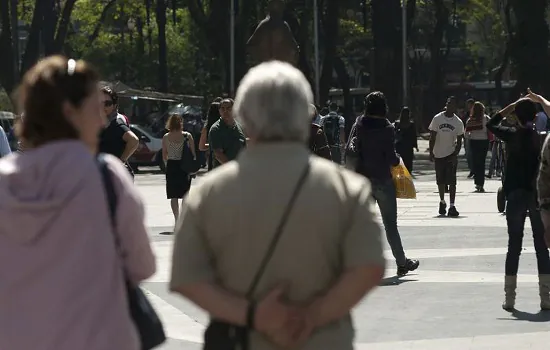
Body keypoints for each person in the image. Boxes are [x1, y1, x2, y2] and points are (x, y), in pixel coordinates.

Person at [170, 61, 385, 350]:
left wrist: (253, 315)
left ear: (244, 116)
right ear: (307, 116)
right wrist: (312, 316)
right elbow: (370, 267)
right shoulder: (348, 190)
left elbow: (186, 279)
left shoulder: (208, 193)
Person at [0, 56, 155, 350]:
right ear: (70, 113)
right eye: (94, 109)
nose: (101, 120)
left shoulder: (3, 182)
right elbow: (142, 266)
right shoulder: (106, 177)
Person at [486, 94, 550, 311]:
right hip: (536, 196)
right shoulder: (540, 137)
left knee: (514, 246)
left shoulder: (511, 135)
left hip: (514, 194)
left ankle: (510, 298)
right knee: (542, 248)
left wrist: (510, 106)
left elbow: (490, 123)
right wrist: (541, 101)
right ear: (535, 116)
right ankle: (546, 297)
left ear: (516, 116)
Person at [347, 92, 420, 276]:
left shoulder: (359, 124)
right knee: (390, 225)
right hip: (383, 181)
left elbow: (351, 149)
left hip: (363, 181)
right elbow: (391, 158)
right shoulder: (387, 127)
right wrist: (397, 160)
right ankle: (402, 263)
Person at [429, 96, 464, 217]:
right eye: (449, 104)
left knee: (452, 181)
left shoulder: (458, 122)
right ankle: (442, 201)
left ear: (456, 107)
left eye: (453, 105)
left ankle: (452, 205)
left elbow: (459, 141)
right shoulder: (437, 119)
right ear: (446, 105)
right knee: (441, 181)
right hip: (438, 153)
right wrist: (431, 152)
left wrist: (455, 154)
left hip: (450, 154)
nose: (450, 106)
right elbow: (432, 136)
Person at [98, 86, 139, 177]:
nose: (103, 107)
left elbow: (134, 140)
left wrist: (121, 161)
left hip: (115, 176)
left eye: (107, 103)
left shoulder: (116, 122)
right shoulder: (102, 122)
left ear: (114, 105)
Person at [162, 113, 196, 223]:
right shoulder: (187, 135)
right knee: (185, 194)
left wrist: (169, 160)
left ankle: (177, 219)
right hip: (184, 166)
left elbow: (164, 155)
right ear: (181, 123)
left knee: (173, 195)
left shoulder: (166, 137)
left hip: (172, 166)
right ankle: (184, 219)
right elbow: (193, 154)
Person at [208, 98, 247, 168]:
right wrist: (233, 168)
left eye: (229, 108)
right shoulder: (216, 129)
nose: (225, 111)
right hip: (223, 173)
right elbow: (218, 154)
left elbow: (244, 147)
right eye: (223, 108)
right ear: (219, 111)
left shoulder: (239, 126)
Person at [465, 102, 490, 192]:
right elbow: (491, 128)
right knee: (481, 163)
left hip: (474, 142)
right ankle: (481, 184)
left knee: (475, 163)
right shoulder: (486, 118)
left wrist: (470, 137)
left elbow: (466, 134)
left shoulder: (470, 120)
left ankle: (477, 183)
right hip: (484, 142)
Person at [394, 106, 418, 173]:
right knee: (407, 166)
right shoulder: (410, 124)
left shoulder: (397, 124)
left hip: (400, 147)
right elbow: (414, 136)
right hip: (407, 147)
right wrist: (415, 146)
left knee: (401, 164)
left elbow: (394, 135)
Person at [199, 101, 222, 171]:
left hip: (213, 158)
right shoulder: (227, 125)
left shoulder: (207, 127)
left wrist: (212, 145)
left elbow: (201, 147)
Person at [464, 98, 475, 178]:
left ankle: (475, 170)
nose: (469, 107)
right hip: (467, 136)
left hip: (475, 136)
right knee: (468, 155)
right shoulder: (466, 114)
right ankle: (472, 169)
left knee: (474, 154)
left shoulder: (478, 113)